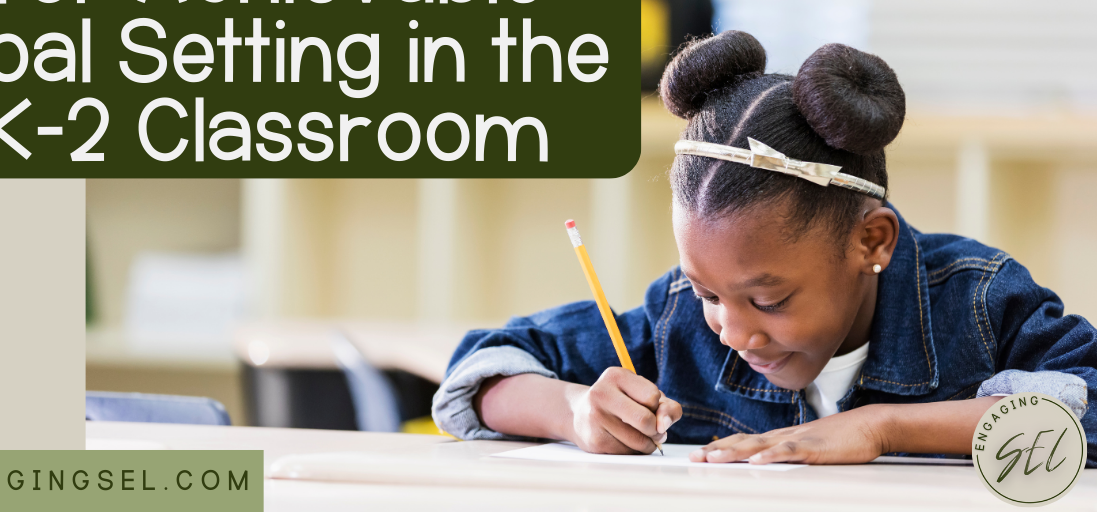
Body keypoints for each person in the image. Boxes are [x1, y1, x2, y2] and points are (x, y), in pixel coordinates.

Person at [431, 30, 1097, 466]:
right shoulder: (682, 325)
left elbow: (1088, 405)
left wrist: (884, 427)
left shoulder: (975, 302)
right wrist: (574, 411)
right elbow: (484, 368)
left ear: (872, 240)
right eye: (708, 291)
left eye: (769, 297)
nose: (734, 331)